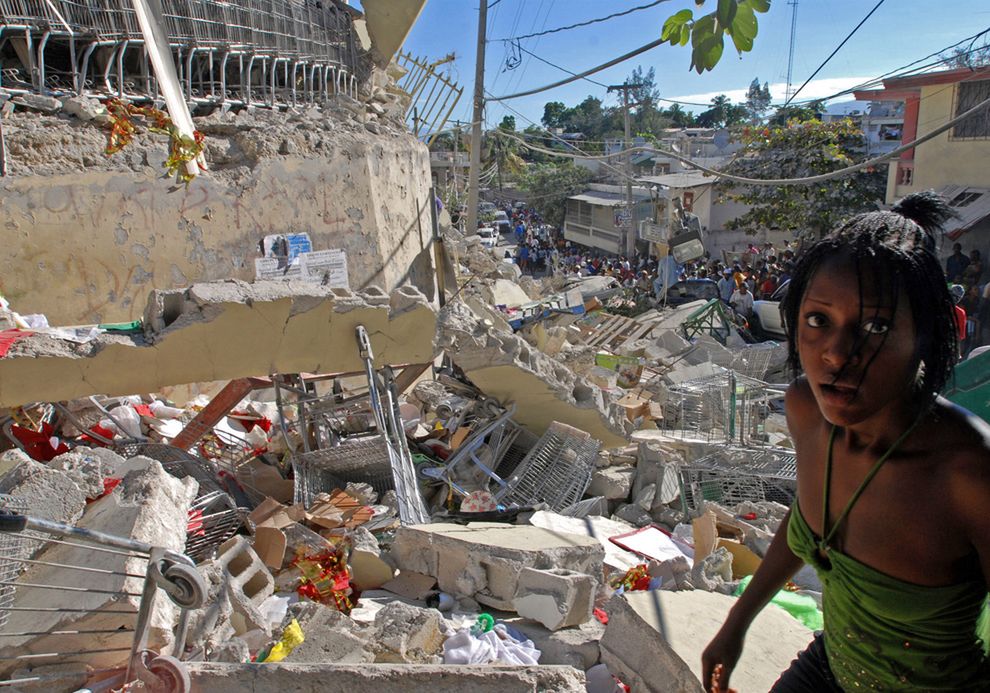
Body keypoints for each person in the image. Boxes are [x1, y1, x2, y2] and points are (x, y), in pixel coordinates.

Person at [702, 191, 990, 693]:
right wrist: (735, 625)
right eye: (818, 321)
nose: (835, 354)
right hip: (829, 666)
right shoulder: (806, 411)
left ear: (924, 334)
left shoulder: (967, 473)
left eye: (875, 327)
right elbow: (811, 512)